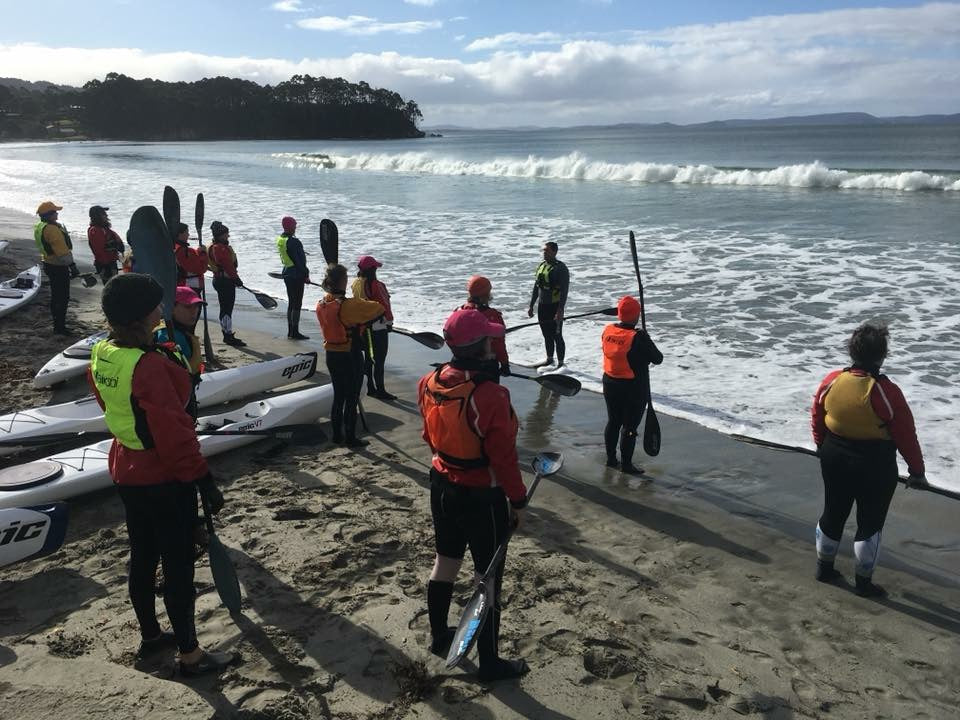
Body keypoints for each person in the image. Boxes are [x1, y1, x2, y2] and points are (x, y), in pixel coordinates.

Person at [87, 273, 235, 676]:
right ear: (140, 315)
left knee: (143, 555)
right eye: (155, 304)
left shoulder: (103, 352)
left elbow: (108, 402)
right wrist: (201, 477)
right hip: (162, 476)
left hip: (125, 467)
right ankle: (191, 655)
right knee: (178, 565)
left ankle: (151, 636)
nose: (160, 309)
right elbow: (174, 434)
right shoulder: (149, 366)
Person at [417, 308, 529, 682]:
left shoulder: (429, 381)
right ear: (481, 347)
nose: (494, 345)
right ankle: (490, 663)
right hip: (483, 497)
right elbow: (504, 457)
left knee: (446, 561)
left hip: (442, 484)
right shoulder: (492, 395)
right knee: (488, 577)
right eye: (490, 340)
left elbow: (428, 437)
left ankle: (438, 636)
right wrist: (519, 501)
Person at [811, 322, 925, 598]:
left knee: (833, 512)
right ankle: (863, 582)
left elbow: (817, 413)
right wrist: (917, 471)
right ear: (882, 356)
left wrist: (819, 443)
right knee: (870, 522)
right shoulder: (886, 391)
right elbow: (905, 435)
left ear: (852, 351)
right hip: (873, 464)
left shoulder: (833, 379)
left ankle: (824, 568)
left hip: (834, 454)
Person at [315, 264, 385, 446]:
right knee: (352, 397)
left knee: (339, 396)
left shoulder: (322, 303)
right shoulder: (349, 306)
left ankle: (337, 436)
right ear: (343, 281)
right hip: (349, 355)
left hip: (331, 354)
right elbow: (379, 309)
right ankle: (351, 438)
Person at [601, 296, 663, 475]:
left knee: (613, 422)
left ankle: (611, 459)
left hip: (610, 382)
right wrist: (645, 337)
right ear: (637, 315)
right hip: (633, 389)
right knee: (629, 427)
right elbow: (658, 359)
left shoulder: (608, 330)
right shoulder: (638, 337)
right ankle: (626, 464)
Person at [155, 286, 205, 418]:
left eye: (197, 306)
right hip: (176, 400)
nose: (194, 312)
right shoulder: (168, 336)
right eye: (188, 307)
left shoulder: (179, 331)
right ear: (171, 308)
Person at [34, 200, 81, 335]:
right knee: (62, 297)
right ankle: (60, 327)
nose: (57, 214)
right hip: (58, 266)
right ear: (49, 215)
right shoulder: (53, 230)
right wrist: (72, 266)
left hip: (48, 263)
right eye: (55, 212)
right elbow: (62, 252)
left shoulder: (40, 226)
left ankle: (58, 325)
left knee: (56, 296)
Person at [351, 255, 394, 399]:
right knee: (379, 360)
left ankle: (370, 387)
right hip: (378, 328)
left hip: (363, 328)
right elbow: (384, 305)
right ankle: (380, 390)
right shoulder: (376, 284)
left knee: (369, 359)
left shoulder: (355, 283)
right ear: (372, 269)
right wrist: (389, 323)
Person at [527, 241, 569, 368]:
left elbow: (564, 290)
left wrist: (560, 310)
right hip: (542, 306)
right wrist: (531, 305)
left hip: (554, 306)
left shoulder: (560, 268)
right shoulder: (542, 265)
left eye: (547, 251)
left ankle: (561, 364)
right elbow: (536, 287)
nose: (544, 253)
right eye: (543, 251)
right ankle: (549, 359)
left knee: (557, 335)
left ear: (555, 252)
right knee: (546, 334)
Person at [461, 275, 509, 378]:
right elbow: (498, 344)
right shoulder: (492, 316)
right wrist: (505, 364)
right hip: (486, 365)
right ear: (486, 294)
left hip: (461, 362)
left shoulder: (460, 311)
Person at [207, 221, 245, 347]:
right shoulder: (219, 248)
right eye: (226, 234)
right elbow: (227, 265)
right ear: (220, 235)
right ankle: (227, 335)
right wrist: (236, 279)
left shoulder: (212, 246)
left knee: (225, 308)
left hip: (220, 280)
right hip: (225, 281)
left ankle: (227, 333)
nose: (228, 236)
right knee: (227, 309)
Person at [277, 216, 310, 340]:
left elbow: (288, 255)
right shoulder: (294, 242)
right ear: (290, 226)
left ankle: (290, 331)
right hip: (296, 274)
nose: (295, 227)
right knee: (297, 303)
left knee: (291, 302)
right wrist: (306, 274)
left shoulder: (281, 239)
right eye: (294, 225)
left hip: (286, 272)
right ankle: (295, 332)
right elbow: (299, 261)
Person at [87, 205, 124, 285]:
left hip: (110, 262)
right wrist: (106, 266)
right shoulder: (95, 230)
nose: (106, 215)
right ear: (97, 216)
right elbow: (99, 250)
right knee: (112, 287)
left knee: (115, 286)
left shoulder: (104, 229)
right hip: (105, 264)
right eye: (103, 214)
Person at [173, 223, 207, 293]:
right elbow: (201, 268)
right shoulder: (183, 251)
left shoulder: (175, 248)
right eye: (187, 232)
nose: (188, 235)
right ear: (180, 234)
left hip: (184, 286)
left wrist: (198, 252)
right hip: (190, 286)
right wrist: (203, 253)